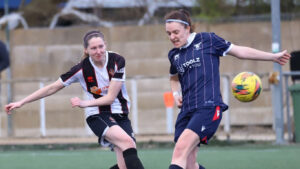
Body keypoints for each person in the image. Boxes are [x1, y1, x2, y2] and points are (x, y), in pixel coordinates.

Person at [164, 9, 290, 169]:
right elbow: (173, 77)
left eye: (175, 32)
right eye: (168, 33)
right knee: (189, 163)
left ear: (187, 28)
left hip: (208, 108)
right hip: (186, 111)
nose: (172, 37)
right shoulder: (174, 54)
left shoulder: (208, 40)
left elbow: (240, 51)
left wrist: (272, 56)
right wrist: (175, 93)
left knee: (179, 152)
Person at [5, 30, 144, 169]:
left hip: (121, 114)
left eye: (101, 46)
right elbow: (52, 87)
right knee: (128, 143)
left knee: (124, 165)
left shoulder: (117, 60)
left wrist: (85, 103)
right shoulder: (81, 69)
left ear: (105, 45)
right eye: (93, 48)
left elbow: (110, 98)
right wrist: (21, 102)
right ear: (86, 50)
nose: (98, 51)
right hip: (98, 115)